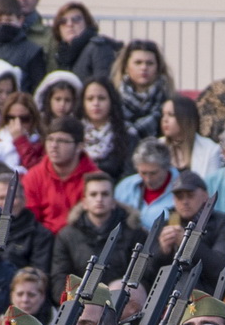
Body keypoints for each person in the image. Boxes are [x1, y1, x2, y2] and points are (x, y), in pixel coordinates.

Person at [48, 172, 145, 304]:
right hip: (79, 305)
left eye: (105, 194)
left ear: (113, 202)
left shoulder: (133, 233)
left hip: (121, 305)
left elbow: (142, 276)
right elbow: (60, 277)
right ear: (84, 202)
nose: (99, 199)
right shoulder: (67, 236)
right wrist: (71, 302)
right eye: (93, 194)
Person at [23, 116, 96, 233]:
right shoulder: (33, 177)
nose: (54, 145)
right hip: (43, 239)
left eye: (62, 141)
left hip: (81, 238)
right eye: (50, 139)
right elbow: (29, 220)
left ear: (79, 146)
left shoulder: (94, 178)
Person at [79, 78, 133, 192]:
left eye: (101, 98)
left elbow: (129, 175)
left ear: (111, 101)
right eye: (90, 99)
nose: (96, 103)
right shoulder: (74, 134)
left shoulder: (128, 134)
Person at [115, 41, 173, 142]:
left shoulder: (169, 103)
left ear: (158, 68)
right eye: (138, 63)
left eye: (149, 63)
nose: (144, 67)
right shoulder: (113, 101)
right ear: (126, 67)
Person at [116, 139, 180, 231]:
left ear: (167, 167)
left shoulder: (182, 189)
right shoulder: (124, 187)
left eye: (153, 173)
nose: (148, 179)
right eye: (143, 173)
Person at [52, 2, 121, 85]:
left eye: (76, 19)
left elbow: (104, 86)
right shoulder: (60, 54)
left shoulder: (98, 47)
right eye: (63, 21)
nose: (69, 24)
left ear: (87, 23)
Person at [161, 94, 222, 178]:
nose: (164, 120)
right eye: (163, 115)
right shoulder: (157, 146)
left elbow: (211, 184)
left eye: (171, 115)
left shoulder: (210, 150)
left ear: (185, 118)